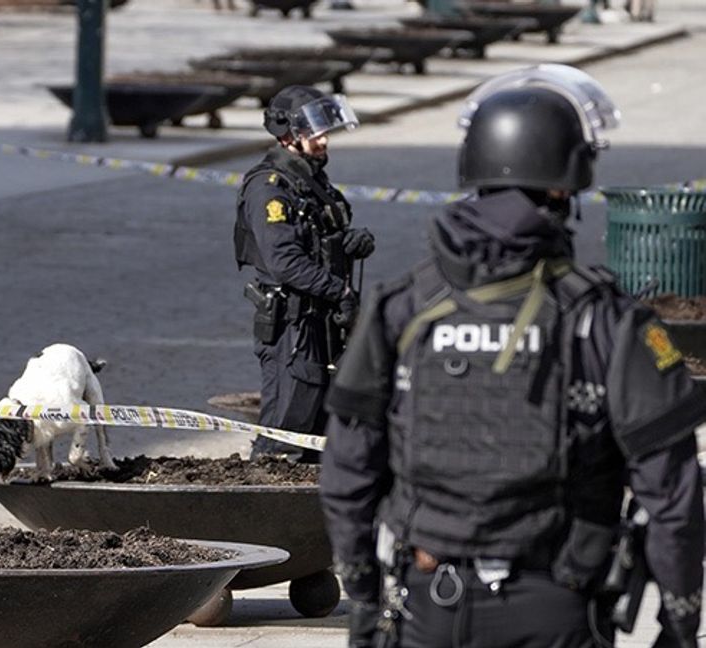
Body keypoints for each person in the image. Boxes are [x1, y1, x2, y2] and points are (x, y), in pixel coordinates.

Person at [319, 64, 703, 648]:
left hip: (426, 608)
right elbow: (672, 498)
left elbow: (347, 475)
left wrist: (366, 603)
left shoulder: (401, 308)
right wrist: (679, 622)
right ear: (565, 186)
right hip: (556, 608)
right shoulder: (607, 320)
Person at [234, 84, 375, 464]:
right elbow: (284, 262)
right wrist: (340, 291)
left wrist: (347, 242)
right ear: (287, 135)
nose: (324, 139)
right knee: (286, 428)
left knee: (321, 426)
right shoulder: (269, 188)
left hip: (321, 318)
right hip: (292, 324)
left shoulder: (309, 179)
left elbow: (315, 238)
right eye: (315, 132)